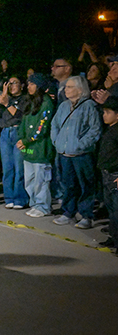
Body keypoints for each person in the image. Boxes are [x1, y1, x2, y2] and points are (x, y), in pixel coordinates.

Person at [50, 76, 102, 229]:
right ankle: (68, 212)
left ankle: (86, 215)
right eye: (66, 87)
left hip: (82, 154)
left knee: (86, 185)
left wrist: (80, 145)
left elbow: (94, 130)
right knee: (68, 184)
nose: (66, 89)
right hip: (64, 154)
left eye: (70, 87)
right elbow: (55, 125)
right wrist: (57, 142)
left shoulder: (89, 106)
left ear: (80, 89)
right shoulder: (64, 106)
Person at [16, 73, 55, 217]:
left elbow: (41, 128)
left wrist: (26, 140)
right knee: (30, 179)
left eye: (32, 84)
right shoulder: (31, 103)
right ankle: (34, 203)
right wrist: (21, 139)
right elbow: (24, 123)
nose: (29, 87)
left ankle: (43, 206)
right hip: (29, 150)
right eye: (29, 83)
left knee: (41, 180)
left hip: (40, 149)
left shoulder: (46, 104)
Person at [0, 76, 29, 209]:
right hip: (5, 134)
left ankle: (20, 198)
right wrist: (3, 96)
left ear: (22, 85)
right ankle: (9, 197)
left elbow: (21, 116)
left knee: (19, 167)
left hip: (19, 132)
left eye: (15, 83)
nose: (12, 86)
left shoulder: (26, 99)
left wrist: (7, 104)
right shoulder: (5, 98)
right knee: (7, 168)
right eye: (9, 83)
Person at [96, 97, 118, 248]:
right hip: (106, 173)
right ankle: (113, 237)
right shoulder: (110, 129)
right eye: (104, 112)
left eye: (108, 112)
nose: (104, 115)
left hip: (115, 175)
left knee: (117, 211)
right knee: (111, 209)